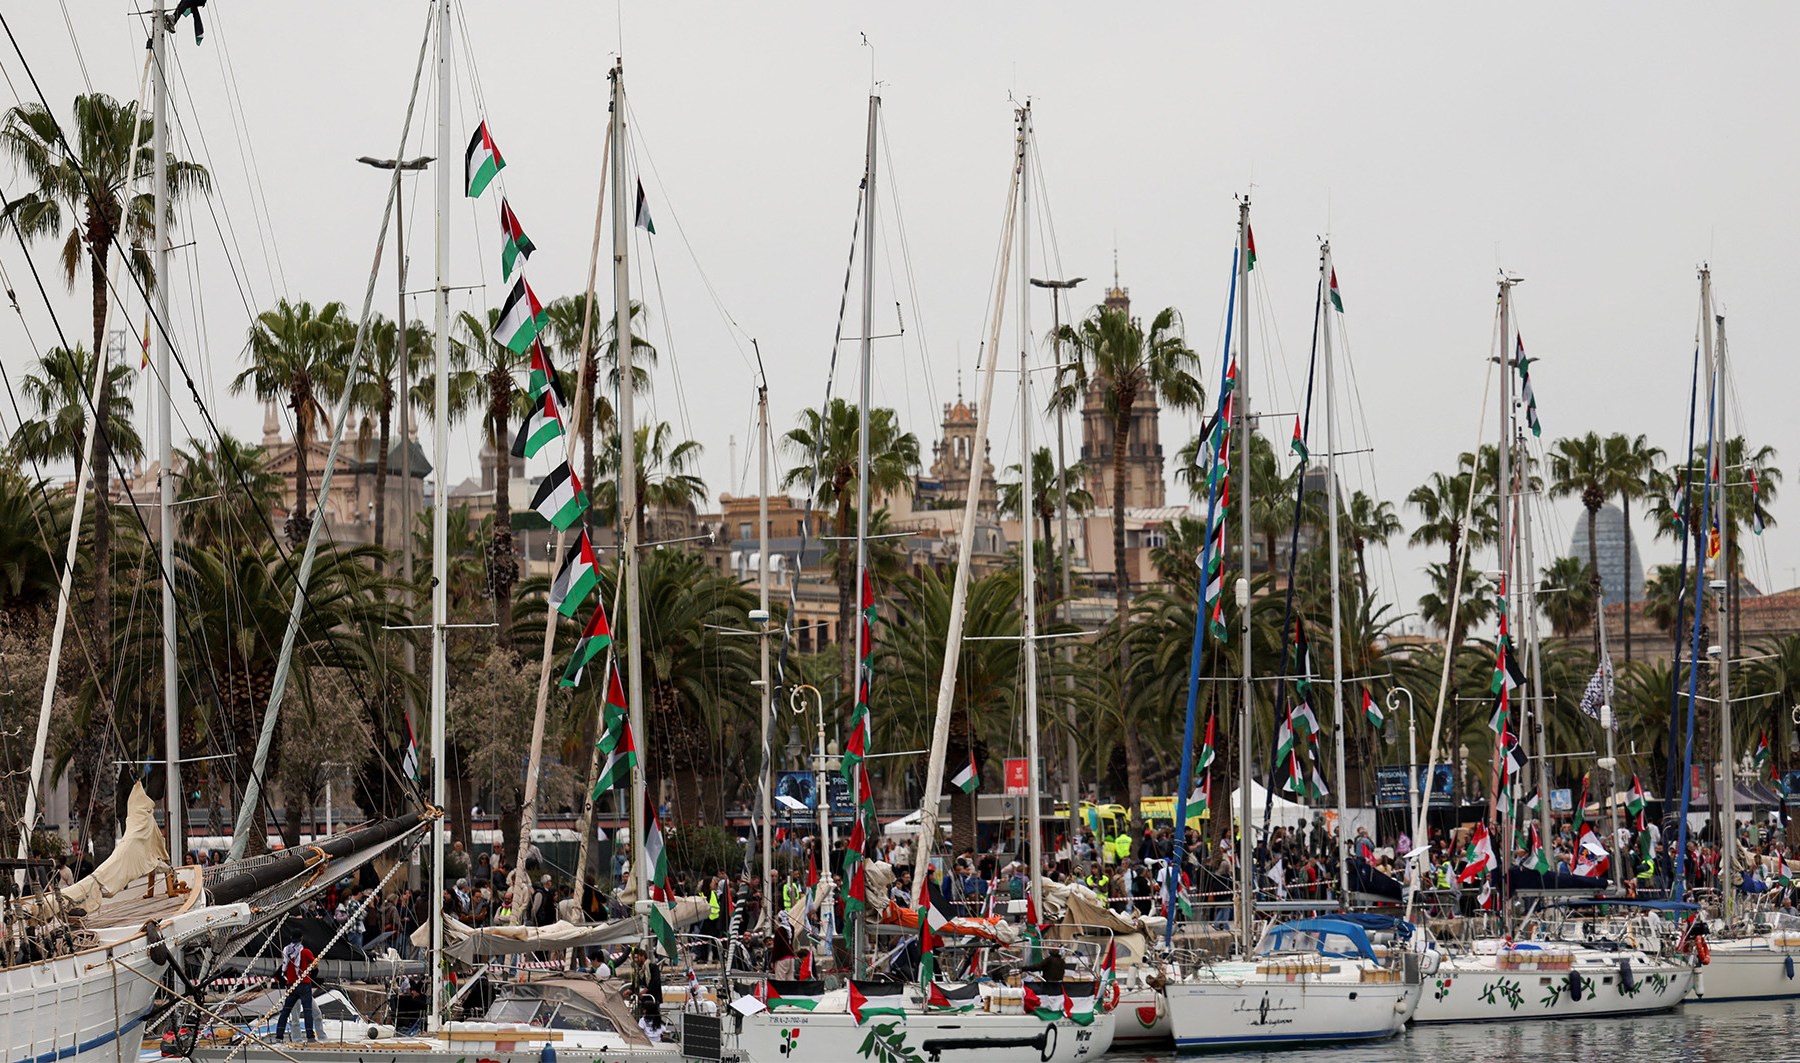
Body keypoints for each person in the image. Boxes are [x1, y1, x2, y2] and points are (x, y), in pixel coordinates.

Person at [275, 924, 318, 1042]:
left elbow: (280, 971)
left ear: (291, 938)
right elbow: (315, 966)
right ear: (302, 938)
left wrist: (286, 983)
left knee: (285, 1012)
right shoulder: (306, 952)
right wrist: (311, 977)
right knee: (307, 1010)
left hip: (291, 986)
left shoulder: (286, 952)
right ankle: (310, 1037)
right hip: (304, 985)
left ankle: (279, 1036)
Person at [625, 946, 663, 1041]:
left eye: (637, 957)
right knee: (641, 1016)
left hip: (653, 998)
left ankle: (655, 1034)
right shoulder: (638, 970)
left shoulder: (653, 967)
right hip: (644, 999)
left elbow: (656, 982)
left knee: (654, 1017)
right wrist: (630, 990)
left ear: (642, 956)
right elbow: (635, 983)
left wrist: (646, 990)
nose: (635, 960)